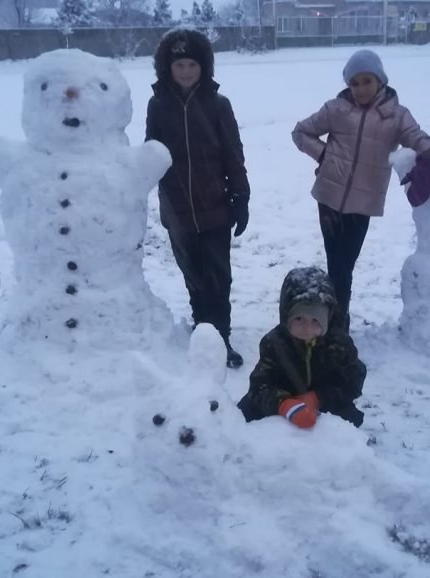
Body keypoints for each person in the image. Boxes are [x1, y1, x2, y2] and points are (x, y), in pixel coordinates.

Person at [292, 49, 430, 333]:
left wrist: (429, 151)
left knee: (343, 266)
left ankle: (335, 322)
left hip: (362, 204)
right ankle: (336, 324)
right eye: (354, 83)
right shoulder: (336, 109)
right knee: (337, 265)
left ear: (380, 81)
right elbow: (300, 132)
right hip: (328, 197)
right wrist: (324, 155)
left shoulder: (395, 115)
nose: (360, 89)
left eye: (366, 81)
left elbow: (416, 136)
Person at [146, 28, 251, 368]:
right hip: (177, 211)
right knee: (194, 279)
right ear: (167, 68)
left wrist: (241, 197)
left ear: (204, 66)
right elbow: (151, 154)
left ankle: (222, 339)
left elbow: (233, 153)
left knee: (219, 279)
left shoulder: (218, 105)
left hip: (216, 208)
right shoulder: (158, 105)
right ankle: (203, 333)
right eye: (179, 65)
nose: (186, 71)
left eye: (193, 64)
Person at [237, 267, 366, 428]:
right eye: (299, 319)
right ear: (286, 316)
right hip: (283, 402)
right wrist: (284, 404)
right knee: (244, 412)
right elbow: (259, 386)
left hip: (324, 404)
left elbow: (353, 382)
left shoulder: (339, 344)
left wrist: (318, 398)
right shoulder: (274, 343)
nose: (307, 328)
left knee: (349, 420)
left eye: (315, 321)